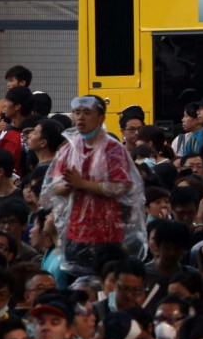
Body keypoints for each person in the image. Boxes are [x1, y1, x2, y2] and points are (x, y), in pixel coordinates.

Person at [41, 95, 144, 276]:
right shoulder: (68, 149)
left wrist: (82, 184)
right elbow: (54, 188)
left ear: (101, 117)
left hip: (107, 234)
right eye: (77, 112)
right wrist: (70, 185)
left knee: (106, 282)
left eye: (87, 112)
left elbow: (120, 187)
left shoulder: (113, 150)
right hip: (75, 232)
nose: (80, 117)